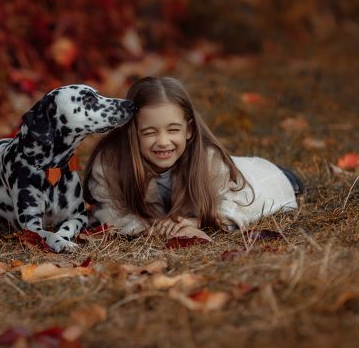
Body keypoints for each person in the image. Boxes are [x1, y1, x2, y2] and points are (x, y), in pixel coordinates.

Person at [83, 76, 302, 241]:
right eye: (149, 132)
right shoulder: (110, 164)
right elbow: (109, 211)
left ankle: (290, 176)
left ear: (188, 130)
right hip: (176, 204)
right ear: (132, 132)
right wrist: (150, 227)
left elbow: (240, 199)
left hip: (254, 174)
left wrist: (200, 221)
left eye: (173, 129)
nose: (163, 141)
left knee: (279, 180)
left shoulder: (208, 159)